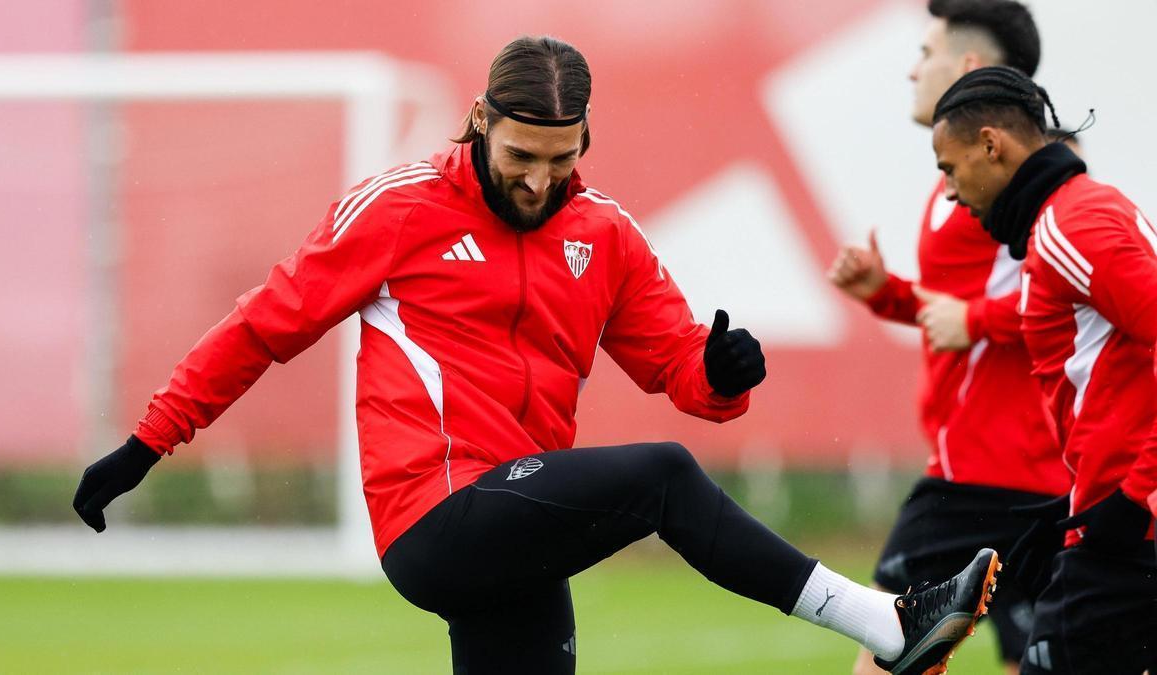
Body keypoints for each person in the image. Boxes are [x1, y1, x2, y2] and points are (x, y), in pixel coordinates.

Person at [73, 36, 999, 675]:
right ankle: (888, 622)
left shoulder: (605, 233)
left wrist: (721, 374)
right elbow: (260, 328)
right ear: (479, 118)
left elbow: (682, 370)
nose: (537, 178)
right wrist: (145, 445)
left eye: (559, 158)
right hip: (434, 515)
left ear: (584, 139)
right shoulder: (397, 210)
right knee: (663, 477)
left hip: (522, 516)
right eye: (519, 155)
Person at [826, 3, 1069, 673]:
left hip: (986, 472)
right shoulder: (961, 172)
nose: (912, 68)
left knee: (887, 647)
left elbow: (1082, 291)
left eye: (925, 52)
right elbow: (968, 308)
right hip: (1018, 468)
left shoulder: (1038, 169)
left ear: (968, 65)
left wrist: (978, 322)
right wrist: (887, 292)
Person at [931, 65, 1157, 675]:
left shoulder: (1069, 227)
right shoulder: (1076, 215)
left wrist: (1137, 496)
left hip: (1131, 534)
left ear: (990, 144)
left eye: (949, 169)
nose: (950, 191)